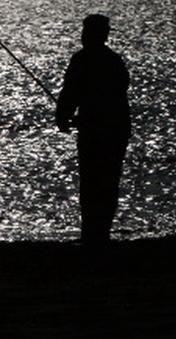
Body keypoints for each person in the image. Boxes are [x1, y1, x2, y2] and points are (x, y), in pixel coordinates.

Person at [56, 14, 130, 245]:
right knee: (108, 183)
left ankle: (92, 234)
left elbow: (71, 92)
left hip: (95, 132)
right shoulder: (114, 62)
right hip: (116, 130)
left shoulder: (82, 60)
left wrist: (63, 116)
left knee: (91, 183)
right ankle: (101, 233)